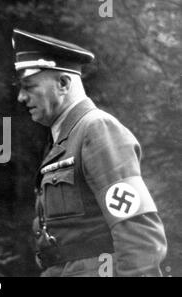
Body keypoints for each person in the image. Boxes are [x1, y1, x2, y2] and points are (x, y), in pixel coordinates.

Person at [12, 28, 167, 277]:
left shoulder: (96, 129)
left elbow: (138, 233)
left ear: (63, 83)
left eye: (29, 87)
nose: (21, 97)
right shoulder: (64, 138)